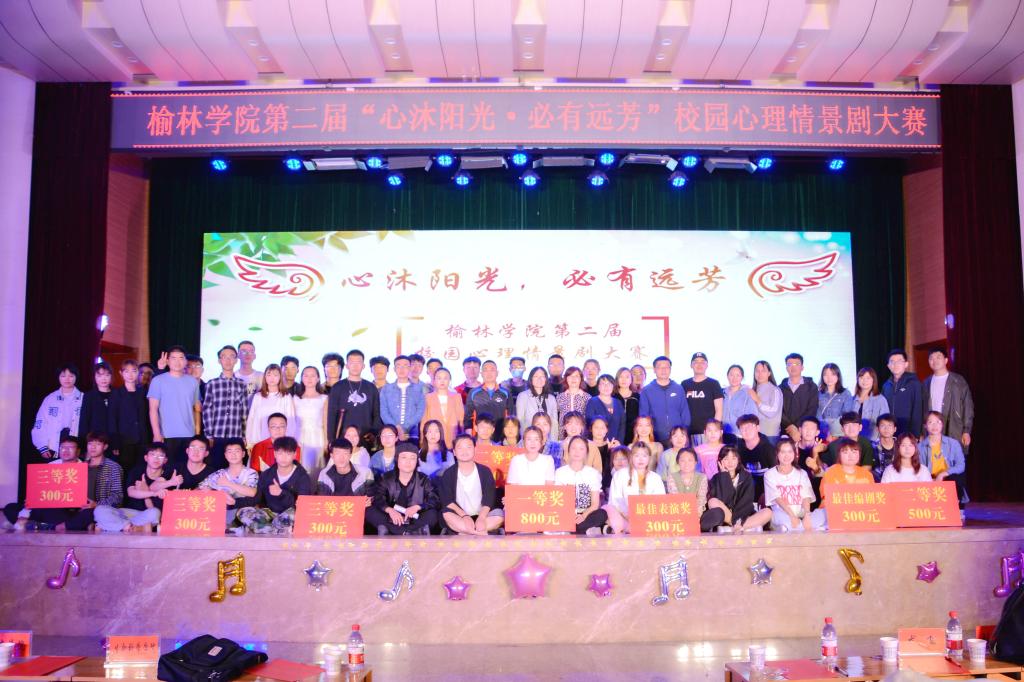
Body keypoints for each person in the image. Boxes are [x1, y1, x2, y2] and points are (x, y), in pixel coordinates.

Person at [745, 439, 826, 532]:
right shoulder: (770, 474)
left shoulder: (802, 473)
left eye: (790, 452)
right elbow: (777, 498)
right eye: (783, 452)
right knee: (785, 522)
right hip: (781, 514)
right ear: (777, 454)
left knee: (824, 513)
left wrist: (807, 515)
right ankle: (799, 528)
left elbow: (806, 496)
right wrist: (792, 516)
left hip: (801, 514)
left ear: (794, 453)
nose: (786, 456)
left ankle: (799, 527)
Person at [238, 436, 312, 534]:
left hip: (289, 515)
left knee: (297, 513)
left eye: (288, 453)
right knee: (243, 512)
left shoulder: (303, 476)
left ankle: (263, 529)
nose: (284, 458)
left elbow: (303, 505)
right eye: (280, 453)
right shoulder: (266, 474)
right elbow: (256, 499)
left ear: (295, 455)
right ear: (275, 454)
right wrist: (234, 502)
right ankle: (278, 530)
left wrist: (281, 493)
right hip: (270, 515)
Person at [94, 442, 173, 533]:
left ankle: (113, 527)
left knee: (155, 513)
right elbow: (131, 493)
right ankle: (133, 528)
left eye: (161, 456)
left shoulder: (167, 477)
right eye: (152, 454)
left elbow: (152, 508)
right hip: (126, 513)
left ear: (165, 460)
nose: (156, 458)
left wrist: (145, 491)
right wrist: (153, 493)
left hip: (145, 515)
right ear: (146, 458)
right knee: (100, 509)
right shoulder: (136, 471)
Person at [366, 442, 439, 535]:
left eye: (412, 458)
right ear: (397, 459)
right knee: (370, 511)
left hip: (415, 518)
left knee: (433, 514)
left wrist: (418, 507)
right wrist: (389, 510)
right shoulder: (386, 477)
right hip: (392, 518)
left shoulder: (424, 479)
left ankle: (395, 531)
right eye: (404, 457)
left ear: (417, 461)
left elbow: (434, 499)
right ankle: (411, 532)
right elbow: (378, 497)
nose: (408, 462)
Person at [438, 434, 503, 535]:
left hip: (483, 516)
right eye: (460, 448)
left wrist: (481, 518)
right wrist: (465, 516)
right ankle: (481, 533)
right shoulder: (448, 474)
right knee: (446, 514)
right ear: (454, 452)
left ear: (475, 449)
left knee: (500, 515)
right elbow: (447, 501)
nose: (464, 451)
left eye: (468, 447)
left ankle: (465, 532)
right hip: (460, 516)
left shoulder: (485, 471)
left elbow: (489, 498)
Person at [147, 346, 201, 467]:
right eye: (173, 358)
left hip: (188, 434)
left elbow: (196, 409)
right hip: (166, 435)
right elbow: (153, 410)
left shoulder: (192, 381)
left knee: (186, 468)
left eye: (181, 358)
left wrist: (197, 433)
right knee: (167, 469)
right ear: (168, 361)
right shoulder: (158, 380)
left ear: (186, 361)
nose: (177, 361)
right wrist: (156, 434)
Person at [200, 345, 248, 471]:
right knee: (216, 469)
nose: (228, 360)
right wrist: (209, 435)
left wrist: (244, 435)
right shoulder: (212, 384)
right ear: (219, 360)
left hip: (235, 435)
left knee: (235, 469)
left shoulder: (241, 384)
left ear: (236, 360)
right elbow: (207, 410)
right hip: (217, 436)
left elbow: (244, 412)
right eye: (224, 357)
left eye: (232, 357)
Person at [605, 442, 666, 534]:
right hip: (625, 516)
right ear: (631, 457)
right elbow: (615, 500)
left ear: (649, 458)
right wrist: (628, 516)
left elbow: (660, 501)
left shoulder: (655, 477)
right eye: (637, 456)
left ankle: (621, 529)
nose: (640, 459)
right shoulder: (620, 475)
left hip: (649, 517)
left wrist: (646, 516)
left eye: (644, 456)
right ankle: (625, 528)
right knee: (611, 512)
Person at [198, 438, 258, 528]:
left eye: (237, 451)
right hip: (221, 514)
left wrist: (228, 483)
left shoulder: (251, 473)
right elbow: (198, 489)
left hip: (244, 514)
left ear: (243, 454)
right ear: (225, 455)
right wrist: (211, 492)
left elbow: (252, 492)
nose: (233, 454)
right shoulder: (219, 474)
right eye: (229, 451)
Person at [555, 435, 608, 535]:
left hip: (586, 514)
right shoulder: (560, 472)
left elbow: (595, 504)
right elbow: (558, 501)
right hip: (566, 514)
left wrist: (583, 516)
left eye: (581, 449)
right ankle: (586, 529)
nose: (577, 452)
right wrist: (570, 515)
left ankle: (573, 529)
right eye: (573, 448)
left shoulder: (593, 473)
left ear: (586, 452)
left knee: (602, 514)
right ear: (568, 451)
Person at [922, 348, 974, 451]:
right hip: (932, 431)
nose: (934, 360)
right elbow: (922, 409)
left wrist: (966, 430)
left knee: (954, 458)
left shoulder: (958, 380)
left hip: (954, 428)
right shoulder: (926, 383)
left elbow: (968, 407)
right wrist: (922, 432)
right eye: (931, 358)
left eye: (938, 357)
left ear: (946, 360)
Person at [326, 349, 381, 441]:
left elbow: (376, 414)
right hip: (342, 439)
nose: (355, 366)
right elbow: (331, 415)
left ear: (363, 366)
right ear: (347, 366)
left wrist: (374, 434)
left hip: (366, 438)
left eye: (358, 362)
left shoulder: (371, 387)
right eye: (352, 363)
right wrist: (331, 440)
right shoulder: (337, 387)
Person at [31, 364, 82, 460]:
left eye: (71, 376)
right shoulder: (50, 399)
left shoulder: (84, 398)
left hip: (77, 446)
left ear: (76, 377)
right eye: (63, 376)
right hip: (53, 448)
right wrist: (42, 445)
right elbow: (40, 422)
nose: (67, 379)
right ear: (58, 377)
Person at [701, 446, 757, 532]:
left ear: (738, 460)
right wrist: (724, 476)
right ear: (720, 461)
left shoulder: (746, 477)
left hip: (743, 515)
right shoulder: (716, 479)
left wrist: (739, 518)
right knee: (713, 501)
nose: (730, 462)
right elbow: (726, 501)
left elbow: (747, 501)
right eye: (726, 459)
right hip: (726, 517)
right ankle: (736, 525)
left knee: (767, 512)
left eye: (733, 458)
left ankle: (737, 525)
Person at [918, 411, 967, 508]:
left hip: (948, 477)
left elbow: (961, 465)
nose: (935, 425)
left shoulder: (953, 443)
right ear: (925, 426)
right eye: (930, 422)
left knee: (957, 477)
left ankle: (958, 507)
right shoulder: (920, 447)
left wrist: (943, 474)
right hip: (929, 479)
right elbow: (918, 468)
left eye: (938, 422)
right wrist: (930, 479)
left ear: (942, 424)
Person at [639, 356, 691, 446]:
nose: (663, 370)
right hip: (655, 437)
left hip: (676, 437)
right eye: (659, 367)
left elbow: (685, 413)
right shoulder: (647, 390)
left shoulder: (678, 388)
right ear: (654, 370)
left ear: (670, 369)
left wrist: (683, 433)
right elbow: (643, 414)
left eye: (666, 367)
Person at [109, 360, 150, 474]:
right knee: (125, 471)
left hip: (142, 439)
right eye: (126, 371)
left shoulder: (143, 392)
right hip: (124, 440)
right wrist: (115, 442)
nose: (130, 375)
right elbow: (112, 419)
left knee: (141, 471)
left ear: (138, 373)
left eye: (134, 371)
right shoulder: (116, 393)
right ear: (121, 373)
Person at [245, 364, 296, 448]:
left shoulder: (286, 397)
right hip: (260, 440)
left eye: (275, 375)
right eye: (269, 375)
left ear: (280, 377)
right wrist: (249, 440)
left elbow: (291, 421)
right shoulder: (258, 396)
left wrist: (288, 441)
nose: (272, 378)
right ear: (265, 377)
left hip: (280, 443)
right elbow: (252, 419)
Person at [819, 438, 875, 515]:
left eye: (854, 452)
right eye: (845, 452)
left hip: (860, 513)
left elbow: (871, 500)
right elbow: (826, 499)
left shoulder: (867, 475)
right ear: (839, 455)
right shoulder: (830, 473)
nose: (850, 456)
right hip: (833, 512)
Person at [293, 366, 328, 478]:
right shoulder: (295, 398)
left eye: (313, 376)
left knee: (316, 470)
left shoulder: (324, 398)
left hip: (317, 438)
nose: (309, 379)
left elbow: (325, 422)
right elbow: (293, 422)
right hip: (299, 437)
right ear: (302, 378)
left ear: (318, 378)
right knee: (300, 469)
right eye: (306, 375)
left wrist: (326, 441)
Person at [380, 355, 427, 440]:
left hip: (412, 432)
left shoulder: (418, 389)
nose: (402, 369)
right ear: (394, 369)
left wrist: (405, 427)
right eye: (398, 366)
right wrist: (396, 427)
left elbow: (420, 410)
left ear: (410, 368)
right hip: (391, 432)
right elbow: (383, 411)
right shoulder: (386, 389)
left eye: (405, 366)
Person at [683, 352, 724, 445]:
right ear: (691, 365)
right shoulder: (685, 384)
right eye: (696, 362)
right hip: (688, 432)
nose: (699, 364)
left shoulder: (713, 384)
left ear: (707, 365)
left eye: (702, 362)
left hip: (707, 433)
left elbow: (719, 410)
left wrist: (714, 431)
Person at [882, 349, 924, 436]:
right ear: (888, 366)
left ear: (906, 364)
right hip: (889, 432)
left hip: (908, 432)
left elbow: (918, 409)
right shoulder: (886, 386)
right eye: (892, 362)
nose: (895, 364)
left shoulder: (914, 383)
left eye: (899, 361)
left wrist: (916, 434)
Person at [420, 367, 464, 446]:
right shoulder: (427, 398)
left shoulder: (457, 397)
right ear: (434, 380)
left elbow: (461, 420)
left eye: (445, 378)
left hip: (453, 440)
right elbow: (424, 421)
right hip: (433, 440)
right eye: (439, 378)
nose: (442, 381)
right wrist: (422, 440)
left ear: (450, 380)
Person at [464, 360, 510, 434]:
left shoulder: (506, 393)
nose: (489, 373)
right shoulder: (473, 393)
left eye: (492, 370)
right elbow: (468, 418)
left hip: (500, 435)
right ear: (481, 373)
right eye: (485, 370)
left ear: (497, 373)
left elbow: (510, 417)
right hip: (480, 435)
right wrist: (469, 436)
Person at [780, 353, 818, 441]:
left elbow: (812, 409)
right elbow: (779, 411)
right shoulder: (780, 388)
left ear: (802, 367)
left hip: (804, 432)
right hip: (785, 431)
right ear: (786, 368)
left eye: (796, 364)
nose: (793, 367)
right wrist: (790, 427)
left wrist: (797, 427)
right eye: (789, 364)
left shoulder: (811, 386)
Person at [665, 447, 708, 516]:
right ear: (678, 462)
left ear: (695, 462)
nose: (686, 464)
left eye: (690, 460)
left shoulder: (702, 477)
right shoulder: (672, 477)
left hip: (697, 514)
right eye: (682, 460)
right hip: (678, 514)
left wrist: (696, 517)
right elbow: (675, 499)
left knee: (716, 513)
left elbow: (701, 500)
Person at [516, 367, 559, 436]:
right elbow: (520, 420)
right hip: (530, 438)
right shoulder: (523, 396)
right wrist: (525, 438)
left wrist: (554, 440)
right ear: (531, 379)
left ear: (546, 379)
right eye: (536, 376)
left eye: (542, 376)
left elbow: (554, 422)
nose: (539, 379)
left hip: (547, 439)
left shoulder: (551, 398)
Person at [79, 362, 114, 442]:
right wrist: (84, 441)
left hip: (114, 439)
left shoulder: (117, 394)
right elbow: (84, 421)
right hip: (95, 440)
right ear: (94, 377)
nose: (103, 379)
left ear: (111, 376)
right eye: (99, 376)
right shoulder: (88, 396)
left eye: (107, 375)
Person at [817, 363, 855, 437]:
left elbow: (846, 414)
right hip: (822, 432)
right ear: (822, 377)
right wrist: (824, 428)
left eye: (833, 374)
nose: (829, 378)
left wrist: (833, 427)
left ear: (838, 376)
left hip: (839, 432)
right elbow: (817, 413)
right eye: (826, 375)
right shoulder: (819, 394)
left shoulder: (846, 393)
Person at [586, 374, 625, 444]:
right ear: (598, 387)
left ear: (613, 386)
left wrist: (619, 441)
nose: (606, 386)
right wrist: (602, 443)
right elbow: (590, 424)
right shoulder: (592, 402)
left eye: (609, 384)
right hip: (598, 444)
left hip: (615, 444)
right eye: (603, 384)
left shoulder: (618, 403)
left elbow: (622, 425)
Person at [796, 416, 827, 505]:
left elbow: (824, 474)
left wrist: (815, 452)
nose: (808, 431)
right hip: (797, 490)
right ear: (800, 430)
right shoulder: (791, 449)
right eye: (806, 428)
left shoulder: (823, 449)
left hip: (817, 491)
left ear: (817, 432)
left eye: (812, 428)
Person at [853, 367, 890, 441]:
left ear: (873, 380)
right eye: (862, 378)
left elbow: (885, 422)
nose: (864, 381)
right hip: (853, 440)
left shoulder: (880, 400)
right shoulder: (852, 399)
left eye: (868, 378)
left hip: (872, 440)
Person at [721, 365, 757, 439]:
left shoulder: (747, 393)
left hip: (740, 435)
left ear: (742, 377)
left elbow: (752, 416)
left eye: (738, 375)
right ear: (727, 376)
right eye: (731, 375)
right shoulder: (722, 393)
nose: (734, 378)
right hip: (723, 434)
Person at [751, 360, 783, 440]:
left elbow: (772, 411)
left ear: (769, 373)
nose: (760, 374)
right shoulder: (752, 390)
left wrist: (758, 401)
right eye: (757, 371)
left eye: (763, 371)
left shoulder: (775, 390)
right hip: (753, 434)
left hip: (769, 435)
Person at [555, 366, 590, 438]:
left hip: (581, 435)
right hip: (563, 435)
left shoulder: (587, 397)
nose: (573, 379)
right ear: (566, 378)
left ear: (581, 379)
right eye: (570, 376)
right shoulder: (560, 397)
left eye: (576, 376)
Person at [613, 367, 640, 448]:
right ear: (617, 379)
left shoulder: (637, 397)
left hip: (633, 435)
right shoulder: (612, 396)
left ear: (631, 379)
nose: (624, 380)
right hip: (616, 435)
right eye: (621, 377)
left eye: (627, 377)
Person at [872, 414, 898, 482]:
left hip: (898, 483)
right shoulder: (871, 446)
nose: (886, 429)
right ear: (877, 429)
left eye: (889, 425)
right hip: (877, 483)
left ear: (895, 429)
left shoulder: (901, 445)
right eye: (883, 425)